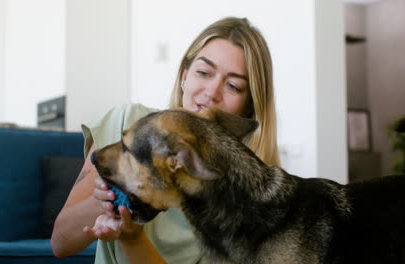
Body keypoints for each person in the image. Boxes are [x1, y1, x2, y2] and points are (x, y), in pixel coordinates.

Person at [51, 16, 281, 264]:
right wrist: (108, 198)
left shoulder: (246, 201)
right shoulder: (126, 125)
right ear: (184, 77)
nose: (212, 93)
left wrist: (132, 239)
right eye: (203, 72)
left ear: (249, 108)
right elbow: (61, 243)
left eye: (233, 86)